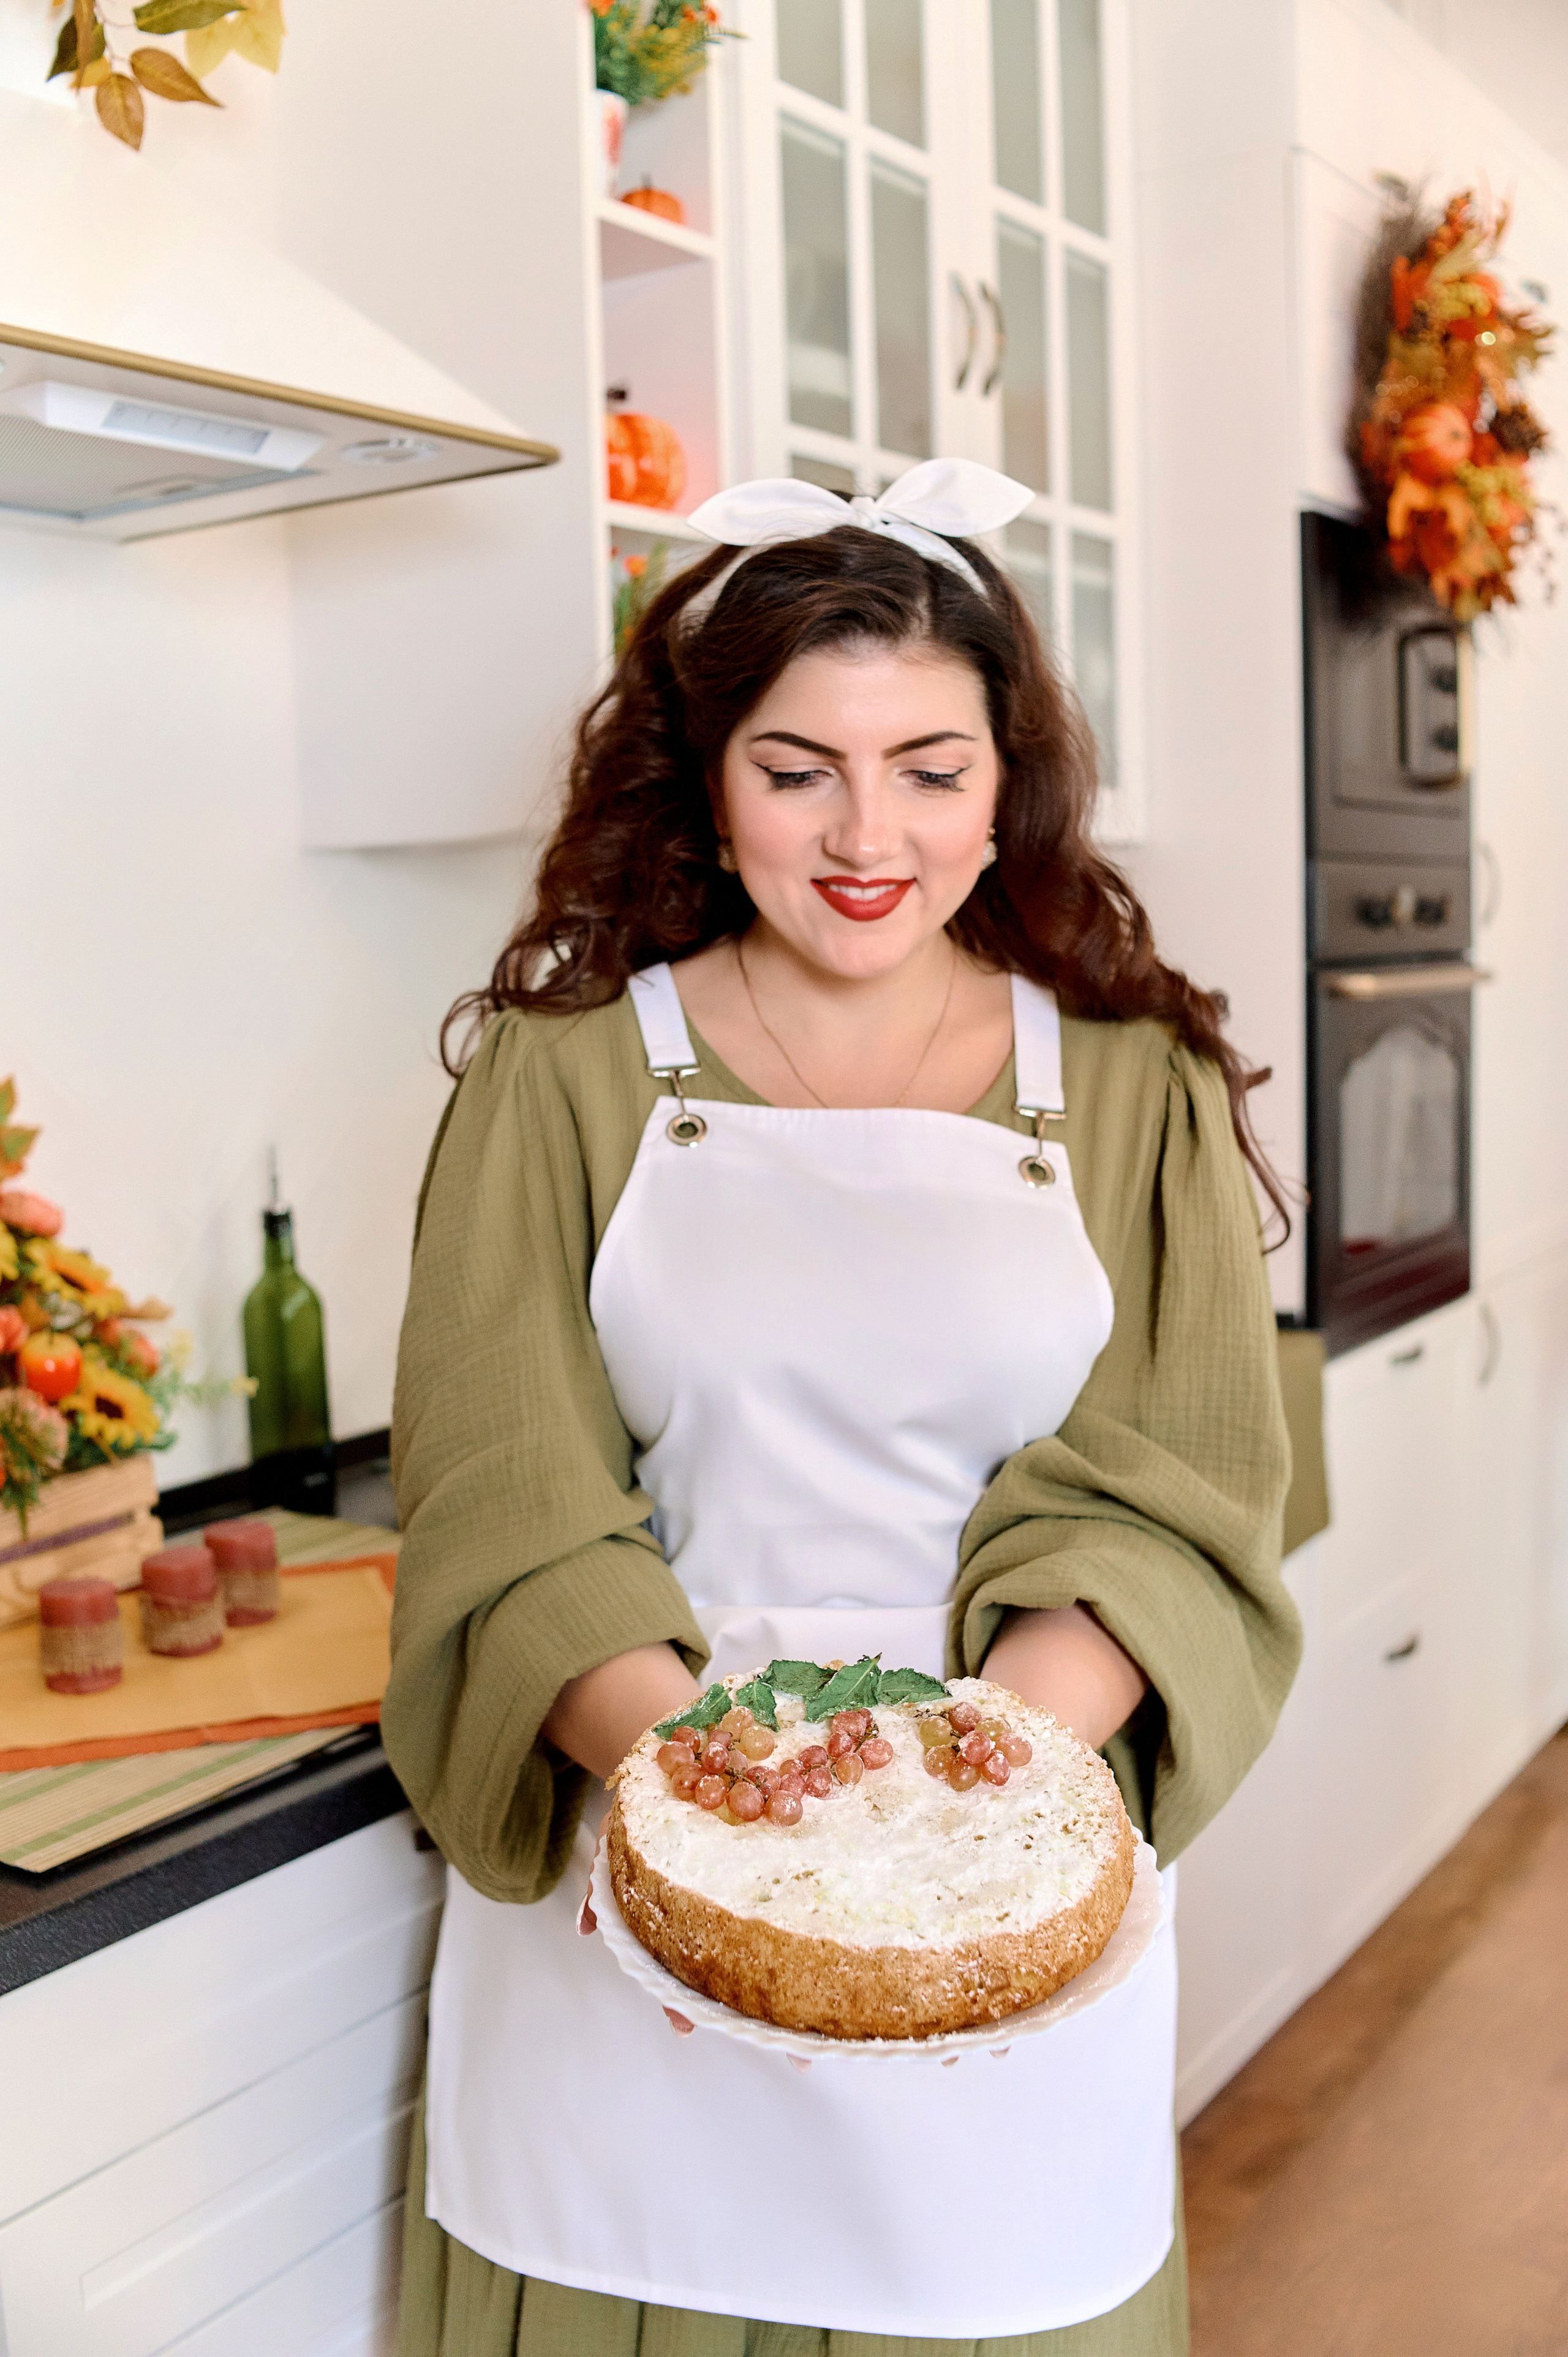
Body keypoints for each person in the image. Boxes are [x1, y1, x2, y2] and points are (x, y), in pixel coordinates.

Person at [385, 460, 1300, 2357]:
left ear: (1009, 782)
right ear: (709, 783)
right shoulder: (562, 1079)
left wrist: (923, 1863)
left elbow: (1181, 1487)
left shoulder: (1136, 1086)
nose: (865, 832)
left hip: (1007, 1868)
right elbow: (512, 1489)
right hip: (635, 1878)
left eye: (931, 768)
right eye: (799, 767)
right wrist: (719, 1855)